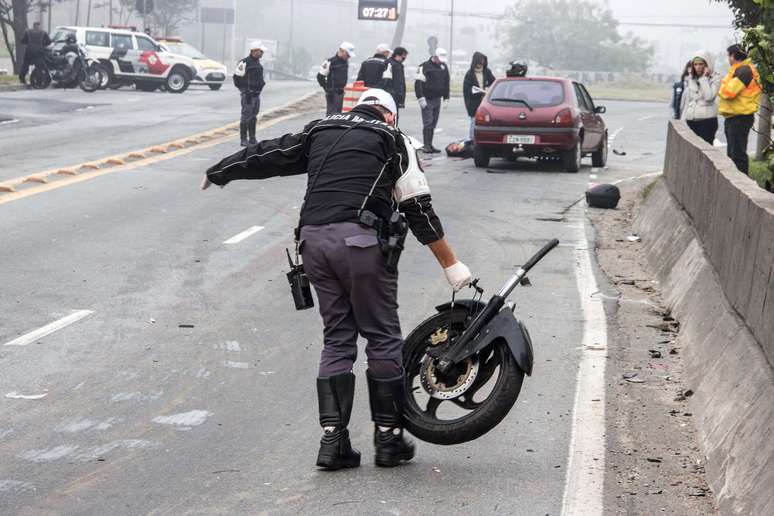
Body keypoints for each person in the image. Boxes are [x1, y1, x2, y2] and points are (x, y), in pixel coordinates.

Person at [201, 88, 473, 470]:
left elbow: (268, 155)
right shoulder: (394, 139)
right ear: (390, 116)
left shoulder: (320, 129)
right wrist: (451, 265)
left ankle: (333, 443)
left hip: (313, 245)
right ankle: (388, 440)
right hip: (360, 245)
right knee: (381, 337)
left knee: (338, 339)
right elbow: (418, 208)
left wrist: (221, 171)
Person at [719, 44, 762, 175]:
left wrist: (721, 87)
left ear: (733, 56)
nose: (728, 58)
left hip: (740, 117)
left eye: (729, 55)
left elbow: (728, 92)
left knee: (738, 154)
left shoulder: (744, 71)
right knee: (732, 153)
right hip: (734, 116)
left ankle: (741, 183)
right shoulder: (739, 69)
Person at [680, 52, 721, 145]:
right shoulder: (692, 78)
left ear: (707, 65)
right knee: (690, 149)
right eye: (695, 64)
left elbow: (709, 97)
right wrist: (683, 120)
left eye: (701, 64)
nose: (698, 67)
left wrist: (703, 79)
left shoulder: (716, 78)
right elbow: (688, 101)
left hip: (707, 121)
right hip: (691, 119)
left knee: (705, 151)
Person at [415, 48, 450, 153]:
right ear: (434, 56)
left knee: (433, 123)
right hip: (427, 99)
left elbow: (446, 83)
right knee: (428, 122)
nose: (442, 61)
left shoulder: (443, 67)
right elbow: (418, 83)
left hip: (437, 99)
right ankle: (426, 146)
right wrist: (420, 97)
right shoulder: (424, 66)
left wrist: (446, 97)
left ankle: (430, 144)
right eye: (440, 58)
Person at [233, 41, 267, 146]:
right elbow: (237, 78)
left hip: (257, 95)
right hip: (248, 95)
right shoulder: (244, 62)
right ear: (254, 51)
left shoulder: (258, 63)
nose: (262, 53)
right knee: (246, 116)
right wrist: (245, 91)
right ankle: (243, 139)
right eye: (260, 51)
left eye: (262, 52)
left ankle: (252, 139)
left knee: (253, 117)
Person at [463, 52, 496, 141]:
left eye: (482, 63)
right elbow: (466, 90)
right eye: (479, 63)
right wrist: (475, 91)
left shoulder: (487, 71)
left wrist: (487, 89)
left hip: (485, 101)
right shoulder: (469, 74)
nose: (480, 65)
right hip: (473, 102)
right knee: (474, 121)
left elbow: (494, 83)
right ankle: (472, 141)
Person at [317, 42, 355, 115]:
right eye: (348, 54)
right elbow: (320, 76)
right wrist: (327, 89)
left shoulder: (345, 62)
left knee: (338, 114)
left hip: (341, 92)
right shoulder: (330, 62)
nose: (349, 57)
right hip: (332, 93)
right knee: (332, 114)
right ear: (341, 51)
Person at [383, 47, 408, 118]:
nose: (404, 59)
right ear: (397, 55)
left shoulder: (398, 65)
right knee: (391, 116)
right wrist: (392, 93)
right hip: (391, 96)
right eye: (403, 57)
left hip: (395, 96)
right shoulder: (391, 64)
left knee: (394, 116)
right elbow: (386, 81)